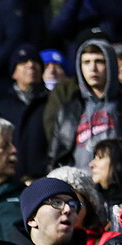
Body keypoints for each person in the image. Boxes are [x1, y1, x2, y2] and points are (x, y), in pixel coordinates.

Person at [50, 39, 122, 168]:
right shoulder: (69, 110)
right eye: (86, 62)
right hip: (78, 185)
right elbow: (56, 155)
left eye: (99, 61)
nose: (93, 68)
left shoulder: (119, 105)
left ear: (111, 64)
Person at [0, 45, 49, 182]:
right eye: (23, 62)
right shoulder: (0, 108)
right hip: (12, 181)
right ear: (13, 73)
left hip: (45, 178)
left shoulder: (53, 103)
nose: (31, 65)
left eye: (35, 62)